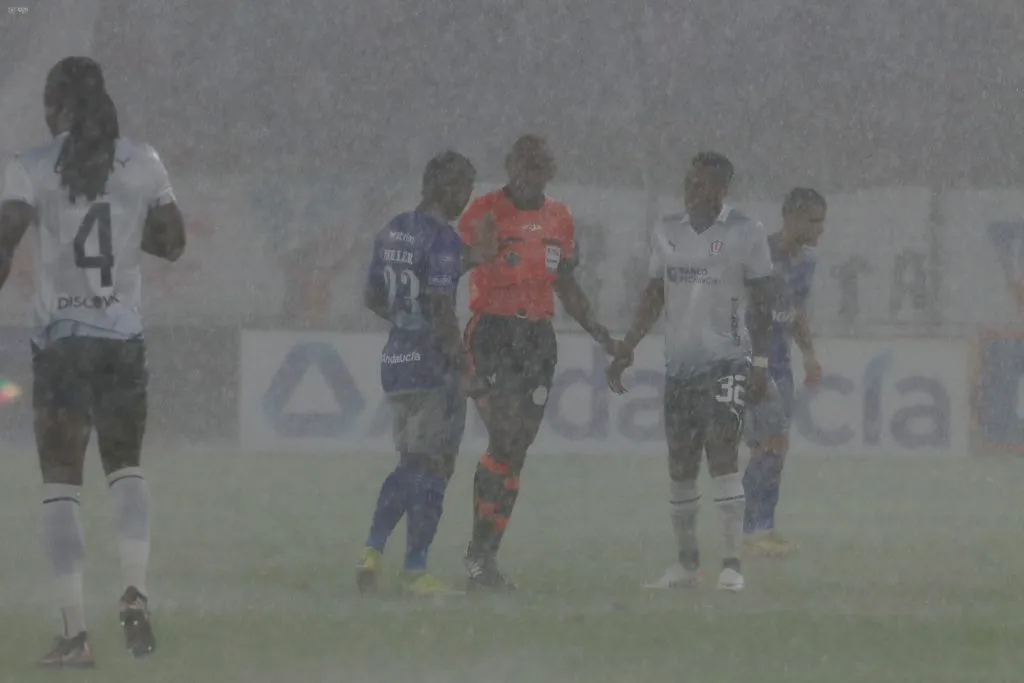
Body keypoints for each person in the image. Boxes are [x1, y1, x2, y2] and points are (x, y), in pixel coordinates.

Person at [0, 57, 185, 667]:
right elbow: (173, 242)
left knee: (61, 486)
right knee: (126, 468)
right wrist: (123, 219)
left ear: (55, 106)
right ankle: (135, 589)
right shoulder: (144, 161)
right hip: (122, 340)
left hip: (62, 343)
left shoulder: (28, 165)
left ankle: (76, 635)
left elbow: (7, 231)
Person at [607, 152, 774, 593]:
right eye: (689, 182)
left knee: (722, 453)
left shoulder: (746, 232)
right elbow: (654, 293)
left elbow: (762, 300)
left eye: (704, 184)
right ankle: (687, 565)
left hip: (727, 362)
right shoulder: (667, 230)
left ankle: (733, 565)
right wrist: (627, 346)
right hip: (679, 367)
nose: (693, 190)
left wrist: (760, 361)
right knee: (680, 466)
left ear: (722, 189)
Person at [459, 134, 618, 591]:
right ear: (509, 166)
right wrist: (473, 255)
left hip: (536, 340)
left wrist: (598, 331)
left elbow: (566, 283)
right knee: (504, 439)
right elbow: (453, 263)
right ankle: (477, 555)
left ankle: (484, 556)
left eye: (539, 170)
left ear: (549, 173)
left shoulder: (560, 217)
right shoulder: (484, 211)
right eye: (524, 168)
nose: (530, 178)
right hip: (492, 331)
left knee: (517, 451)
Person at [356, 151, 497, 596]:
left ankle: (372, 551)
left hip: (396, 363)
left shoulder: (393, 229)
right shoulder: (442, 239)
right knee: (435, 467)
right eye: (462, 189)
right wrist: (466, 369)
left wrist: (405, 320)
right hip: (433, 368)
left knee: (410, 462)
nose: (464, 199)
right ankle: (416, 569)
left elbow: (374, 296)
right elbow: (441, 307)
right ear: (442, 187)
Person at [742, 188, 825, 557]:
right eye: (815, 220)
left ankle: (765, 527)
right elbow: (739, 305)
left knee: (776, 449)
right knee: (767, 444)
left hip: (782, 363)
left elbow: (797, 311)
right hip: (753, 361)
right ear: (791, 217)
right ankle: (749, 530)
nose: (821, 229)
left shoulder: (806, 261)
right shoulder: (760, 254)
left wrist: (808, 353)